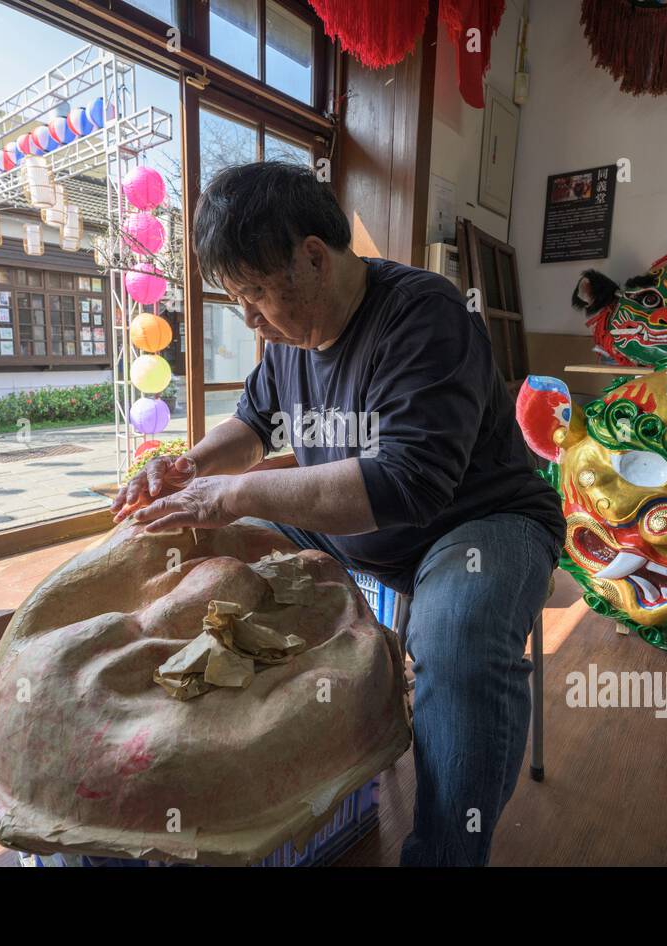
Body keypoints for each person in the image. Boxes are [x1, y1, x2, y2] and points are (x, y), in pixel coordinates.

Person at [112, 161, 565, 866]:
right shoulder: (290, 342)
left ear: (313, 258)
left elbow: (406, 485)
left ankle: (445, 857)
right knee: (198, 529)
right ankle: (240, 758)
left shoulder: (426, 314)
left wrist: (234, 492)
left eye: (255, 294)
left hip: (480, 526)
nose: (251, 320)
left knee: (459, 640)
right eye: (237, 301)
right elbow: (253, 424)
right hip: (366, 533)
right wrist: (190, 469)